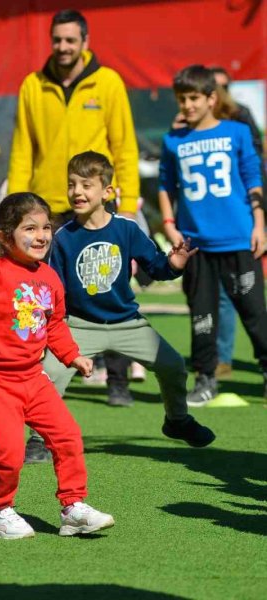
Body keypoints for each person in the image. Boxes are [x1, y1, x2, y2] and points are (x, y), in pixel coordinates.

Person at [0, 192, 114, 539]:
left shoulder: (49, 278)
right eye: (29, 228)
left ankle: (73, 508)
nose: (41, 235)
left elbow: (55, 324)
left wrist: (72, 355)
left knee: (68, 436)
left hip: (34, 378)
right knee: (10, 449)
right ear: (4, 236)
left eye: (46, 227)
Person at [7, 8, 141, 454]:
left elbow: (124, 144)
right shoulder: (32, 85)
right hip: (50, 207)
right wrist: (19, 209)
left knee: (111, 293)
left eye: (70, 40)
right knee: (44, 304)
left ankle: (118, 379)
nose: (62, 47)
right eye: (57, 40)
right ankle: (41, 419)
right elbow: (23, 147)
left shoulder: (109, 83)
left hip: (101, 207)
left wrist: (132, 203)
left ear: (84, 39)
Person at [41, 151, 215, 447]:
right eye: (71, 185)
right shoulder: (63, 237)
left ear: (107, 192)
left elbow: (156, 268)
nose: (77, 192)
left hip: (127, 323)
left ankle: (177, 421)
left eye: (85, 185)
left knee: (172, 365)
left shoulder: (127, 229)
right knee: (49, 375)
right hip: (80, 325)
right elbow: (51, 287)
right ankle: (38, 439)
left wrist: (173, 265)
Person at [159, 65, 267, 406]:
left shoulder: (236, 132)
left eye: (194, 98)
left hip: (238, 239)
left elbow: (253, 179)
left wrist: (260, 224)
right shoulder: (172, 139)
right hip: (196, 245)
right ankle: (205, 378)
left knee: (254, 313)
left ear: (210, 98)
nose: (188, 105)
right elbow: (165, 184)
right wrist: (169, 224)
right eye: (181, 99)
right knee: (202, 316)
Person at [211, 66, 265, 380]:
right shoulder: (190, 126)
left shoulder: (240, 117)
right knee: (219, 295)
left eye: (222, 86)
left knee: (251, 299)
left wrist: (259, 217)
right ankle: (220, 359)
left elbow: (255, 165)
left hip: (243, 219)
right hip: (211, 228)